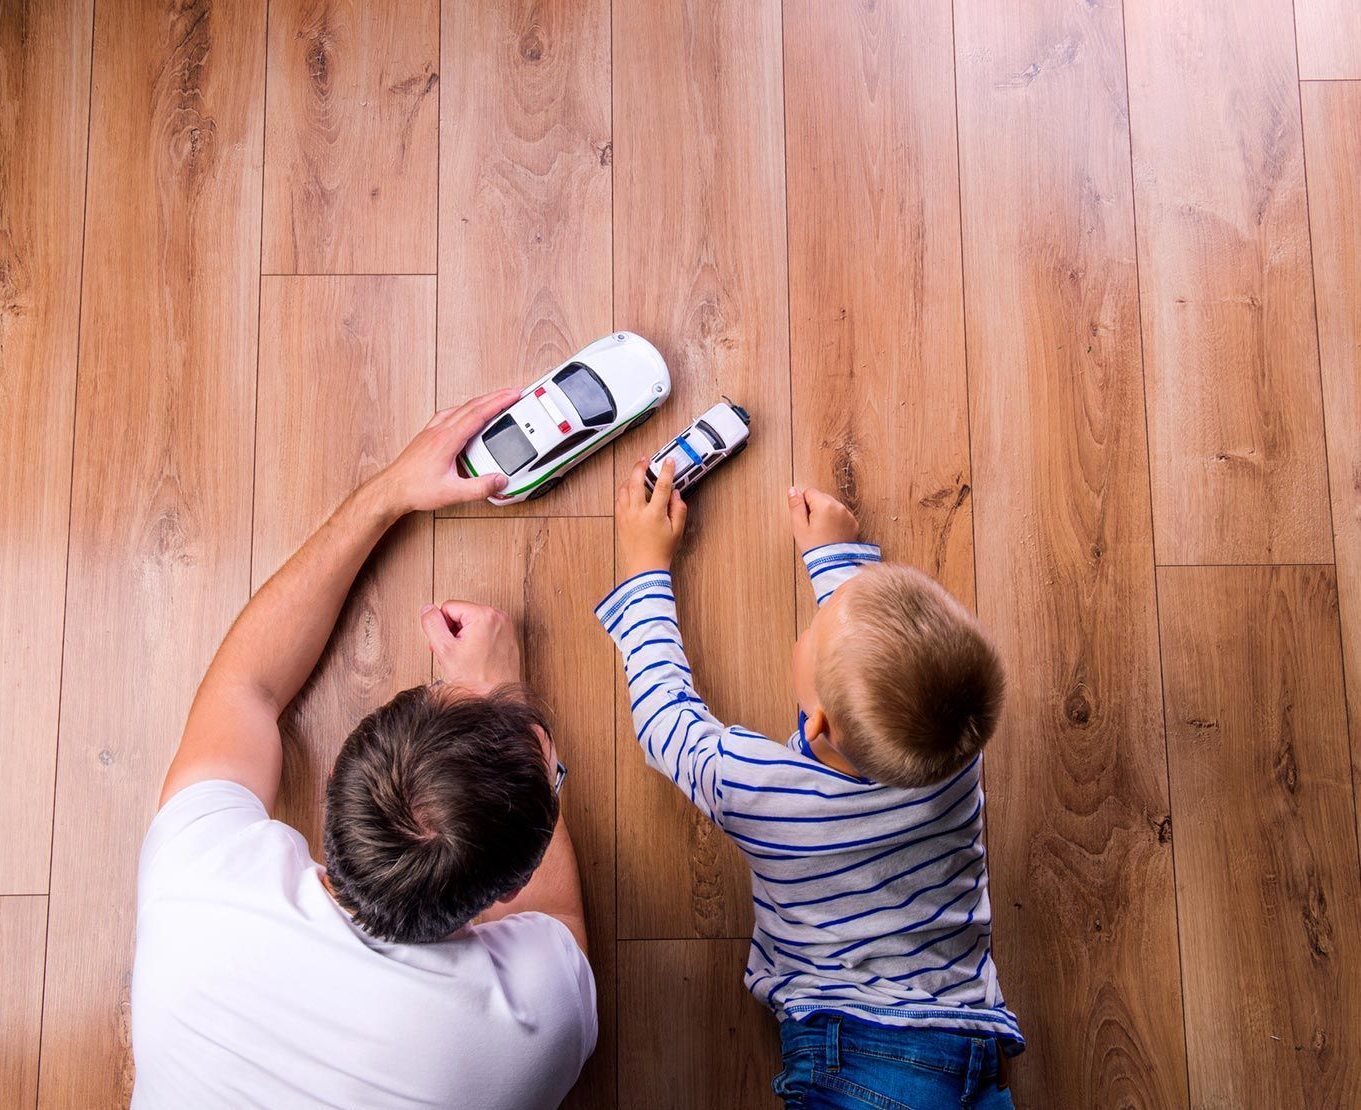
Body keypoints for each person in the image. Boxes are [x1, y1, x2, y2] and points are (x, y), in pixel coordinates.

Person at [130, 389, 596, 1109]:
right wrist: (501, 697)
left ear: (336, 784)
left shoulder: (198, 880)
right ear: (510, 889)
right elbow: (558, 925)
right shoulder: (531, 1029)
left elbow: (246, 685)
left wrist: (387, 495)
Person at [599, 457, 1021, 1108]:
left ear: (817, 720)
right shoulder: (955, 748)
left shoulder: (760, 794)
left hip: (858, 1059)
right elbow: (888, 675)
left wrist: (644, 567)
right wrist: (835, 557)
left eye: (813, 631)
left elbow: (666, 722)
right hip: (968, 1031)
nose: (816, 621)